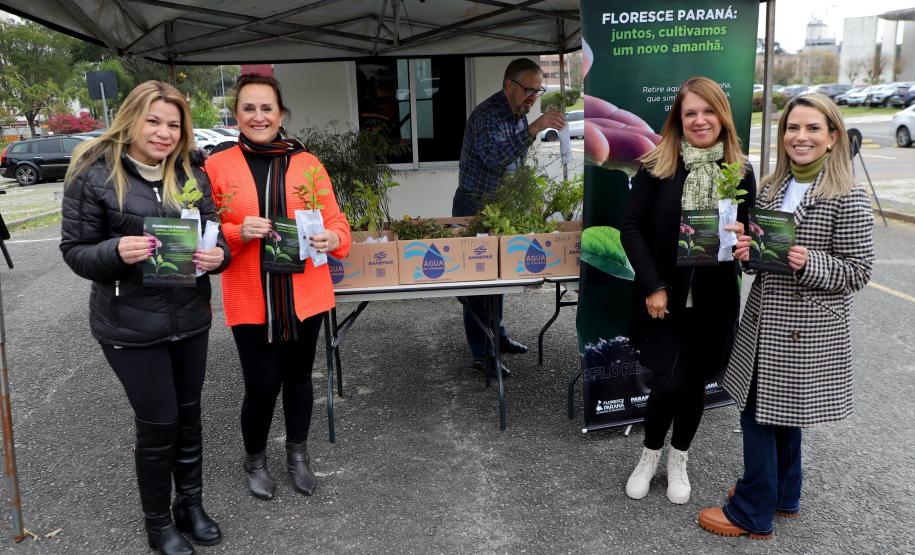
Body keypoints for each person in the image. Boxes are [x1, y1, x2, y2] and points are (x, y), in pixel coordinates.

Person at [60, 81, 229, 554]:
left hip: (190, 316)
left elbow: (216, 233)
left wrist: (220, 255)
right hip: (129, 325)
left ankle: (189, 505)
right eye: (153, 121)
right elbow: (74, 252)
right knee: (159, 423)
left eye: (174, 124)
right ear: (131, 118)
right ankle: (158, 523)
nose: (164, 133)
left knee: (190, 417)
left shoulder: (191, 170)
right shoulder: (94, 175)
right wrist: (116, 250)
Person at [698, 93, 874, 539]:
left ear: (833, 137)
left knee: (759, 415)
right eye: (793, 128)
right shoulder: (775, 186)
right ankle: (784, 495)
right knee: (782, 413)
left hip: (807, 328)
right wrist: (747, 249)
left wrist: (806, 261)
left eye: (813, 128)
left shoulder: (848, 195)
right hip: (765, 320)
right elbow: (765, 257)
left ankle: (751, 511)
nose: (802, 137)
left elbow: (858, 271)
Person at [205, 74, 351, 501]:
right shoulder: (218, 166)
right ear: (236, 116)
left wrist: (334, 239)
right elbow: (201, 231)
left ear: (281, 114)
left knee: (299, 377)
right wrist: (236, 231)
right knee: (262, 382)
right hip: (250, 295)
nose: (258, 116)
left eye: (267, 108)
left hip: (305, 293)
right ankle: (254, 460)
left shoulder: (308, 164)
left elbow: (338, 223)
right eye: (249, 108)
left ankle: (298, 457)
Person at [620, 76, 756, 505]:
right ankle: (649, 455)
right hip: (665, 298)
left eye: (708, 111)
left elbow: (750, 241)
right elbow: (632, 228)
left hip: (714, 301)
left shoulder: (740, 171)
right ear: (678, 119)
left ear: (722, 116)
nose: (700, 120)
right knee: (667, 383)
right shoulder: (656, 166)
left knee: (693, 383)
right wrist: (654, 285)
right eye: (690, 113)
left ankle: (679, 458)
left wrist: (745, 240)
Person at [452, 57, 566, 378]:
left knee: (499, 278)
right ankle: (482, 353)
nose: (533, 98)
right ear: (509, 86)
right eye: (529, 91)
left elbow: (516, 160)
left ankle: (497, 337)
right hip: (474, 207)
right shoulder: (487, 115)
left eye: (538, 91)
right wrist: (534, 128)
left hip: (501, 206)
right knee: (478, 281)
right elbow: (494, 158)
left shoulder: (519, 113)